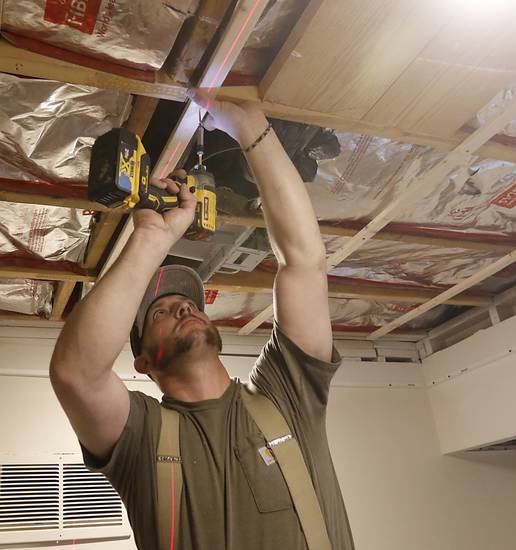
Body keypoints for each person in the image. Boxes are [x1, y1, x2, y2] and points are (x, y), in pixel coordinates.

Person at [50, 92, 355, 550]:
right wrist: (151, 238)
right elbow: (76, 373)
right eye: (160, 311)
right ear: (143, 364)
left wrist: (252, 128)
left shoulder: (286, 395)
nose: (183, 308)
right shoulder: (140, 438)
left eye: (189, 304)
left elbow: (305, 263)